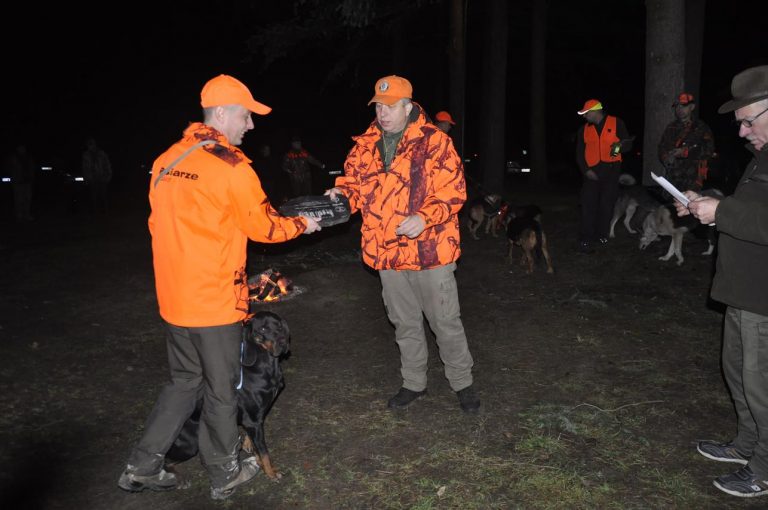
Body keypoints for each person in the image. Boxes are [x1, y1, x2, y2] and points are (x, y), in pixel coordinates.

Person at [117, 74, 321, 500]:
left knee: (183, 382)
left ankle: (142, 464)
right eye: (246, 116)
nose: (250, 125)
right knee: (223, 389)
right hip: (214, 304)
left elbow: (157, 225)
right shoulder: (230, 166)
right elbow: (264, 226)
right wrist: (305, 223)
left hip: (175, 299)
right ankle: (225, 470)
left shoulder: (167, 160)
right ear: (224, 113)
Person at [325, 75, 480, 414]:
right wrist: (340, 196)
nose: (383, 113)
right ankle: (414, 383)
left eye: (391, 106)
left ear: (408, 106)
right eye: (378, 106)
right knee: (404, 323)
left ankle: (462, 383)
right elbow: (353, 186)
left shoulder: (435, 141)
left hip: (430, 250)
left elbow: (454, 192)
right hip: (387, 252)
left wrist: (424, 217)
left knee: (445, 322)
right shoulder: (364, 145)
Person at [674, 65, 768, 498]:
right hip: (742, 289)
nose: (744, 132)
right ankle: (747, 445)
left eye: (751, 120)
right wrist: (709, 203)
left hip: (762, 295)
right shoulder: (761, 158)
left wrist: (723, 213)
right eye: (741, 124)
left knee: (761, 382)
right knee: (739, 373)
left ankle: (764, 467)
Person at [575, 99, 633, 253]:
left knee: (606, 205)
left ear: (595, 111)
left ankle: (602, 235)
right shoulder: (584, 130)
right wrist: (586, 170)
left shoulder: (616, 123)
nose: (585, 116)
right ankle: (586, 238)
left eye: (586, 113)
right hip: (591, 172)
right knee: (588, 205)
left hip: (611, 170)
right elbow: (579, 153)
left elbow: (627, 143)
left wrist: (620, 147)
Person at [658, 92, 715, 194]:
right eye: (677, 106)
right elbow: (662, 147)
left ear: (692, 107)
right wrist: (666, 157)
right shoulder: (671, 127)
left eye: (683, 106)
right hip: (672, 178)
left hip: (692, 180)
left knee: (690, 207)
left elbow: (708, 150)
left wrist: (685, 152)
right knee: (670, 207)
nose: (679, 109)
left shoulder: (701, 127)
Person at [81, 137, 113, 214]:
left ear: (95, 145)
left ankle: (106, 212)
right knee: (94, 197)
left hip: (102, 178)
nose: (90, 146)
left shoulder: (101, 154)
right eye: (89, 145)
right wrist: (86, 179)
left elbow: (107, 165)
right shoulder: (86, 155)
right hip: (92, 179)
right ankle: (95, 213)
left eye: (91, 144)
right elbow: (85, 168)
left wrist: (108, 176)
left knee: (103, 196)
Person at [6, 143, 36, 222]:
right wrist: (13, 178)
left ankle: (27, 214)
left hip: (27, 181)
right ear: (17, 149)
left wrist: (31, 177)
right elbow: (10, 169)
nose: (22, 149)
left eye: (23, 148)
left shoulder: (28, 157)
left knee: (28, 198)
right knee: (18, 199)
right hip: (17, 181)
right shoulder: (13, 157)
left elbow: (32, 168)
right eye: (20, 148)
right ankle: (19, 214)